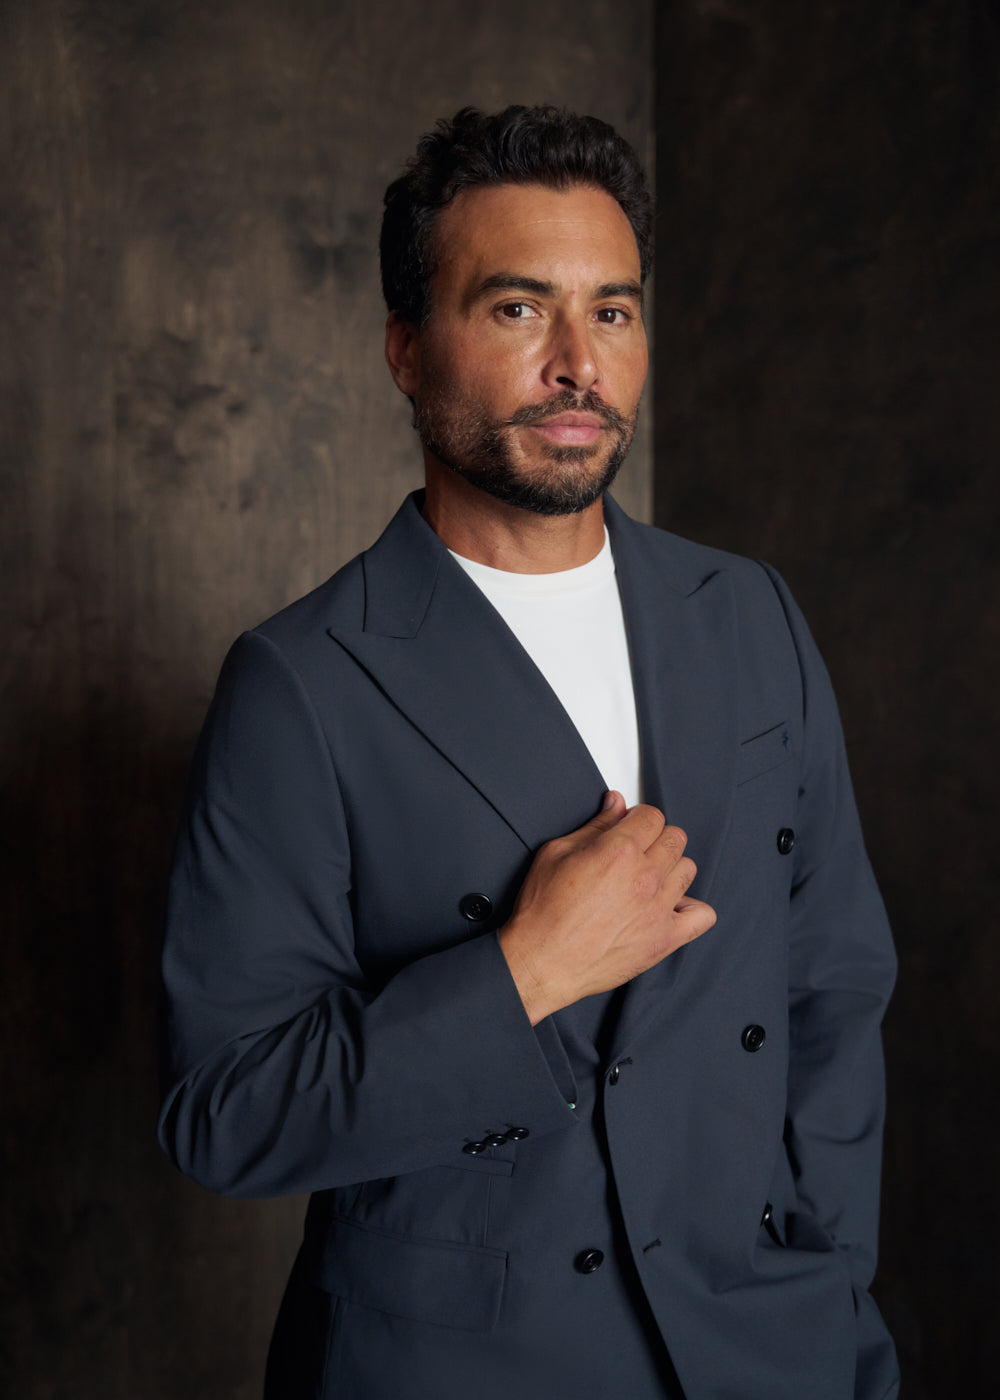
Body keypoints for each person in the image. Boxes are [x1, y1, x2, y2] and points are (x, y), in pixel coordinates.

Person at [158, 106, 899, 1399]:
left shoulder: (749, 614)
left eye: (611, 311)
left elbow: (832, 986)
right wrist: (522, 972)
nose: (578, 364)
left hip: (767, 1346)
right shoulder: (300, 684)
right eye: (516, 310)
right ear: (404, 348)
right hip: (465, 1365)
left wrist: (828, 1287)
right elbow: (225, 1109)